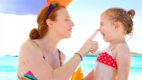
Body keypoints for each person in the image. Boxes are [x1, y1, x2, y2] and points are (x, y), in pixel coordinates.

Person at [17, 0, 98, 80]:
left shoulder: (61, 56)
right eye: (66, 19)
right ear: (51, 23)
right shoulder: (28, 47)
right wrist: (82, 52)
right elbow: (51, 78)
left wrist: (100, 66)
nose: (73, 24)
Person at [84, 8, 135, 80]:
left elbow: (123, 78)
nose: (99, 28)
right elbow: (97, 71)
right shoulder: (110, 48)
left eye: (102, 24)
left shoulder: (122, 49)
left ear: (116, 26)